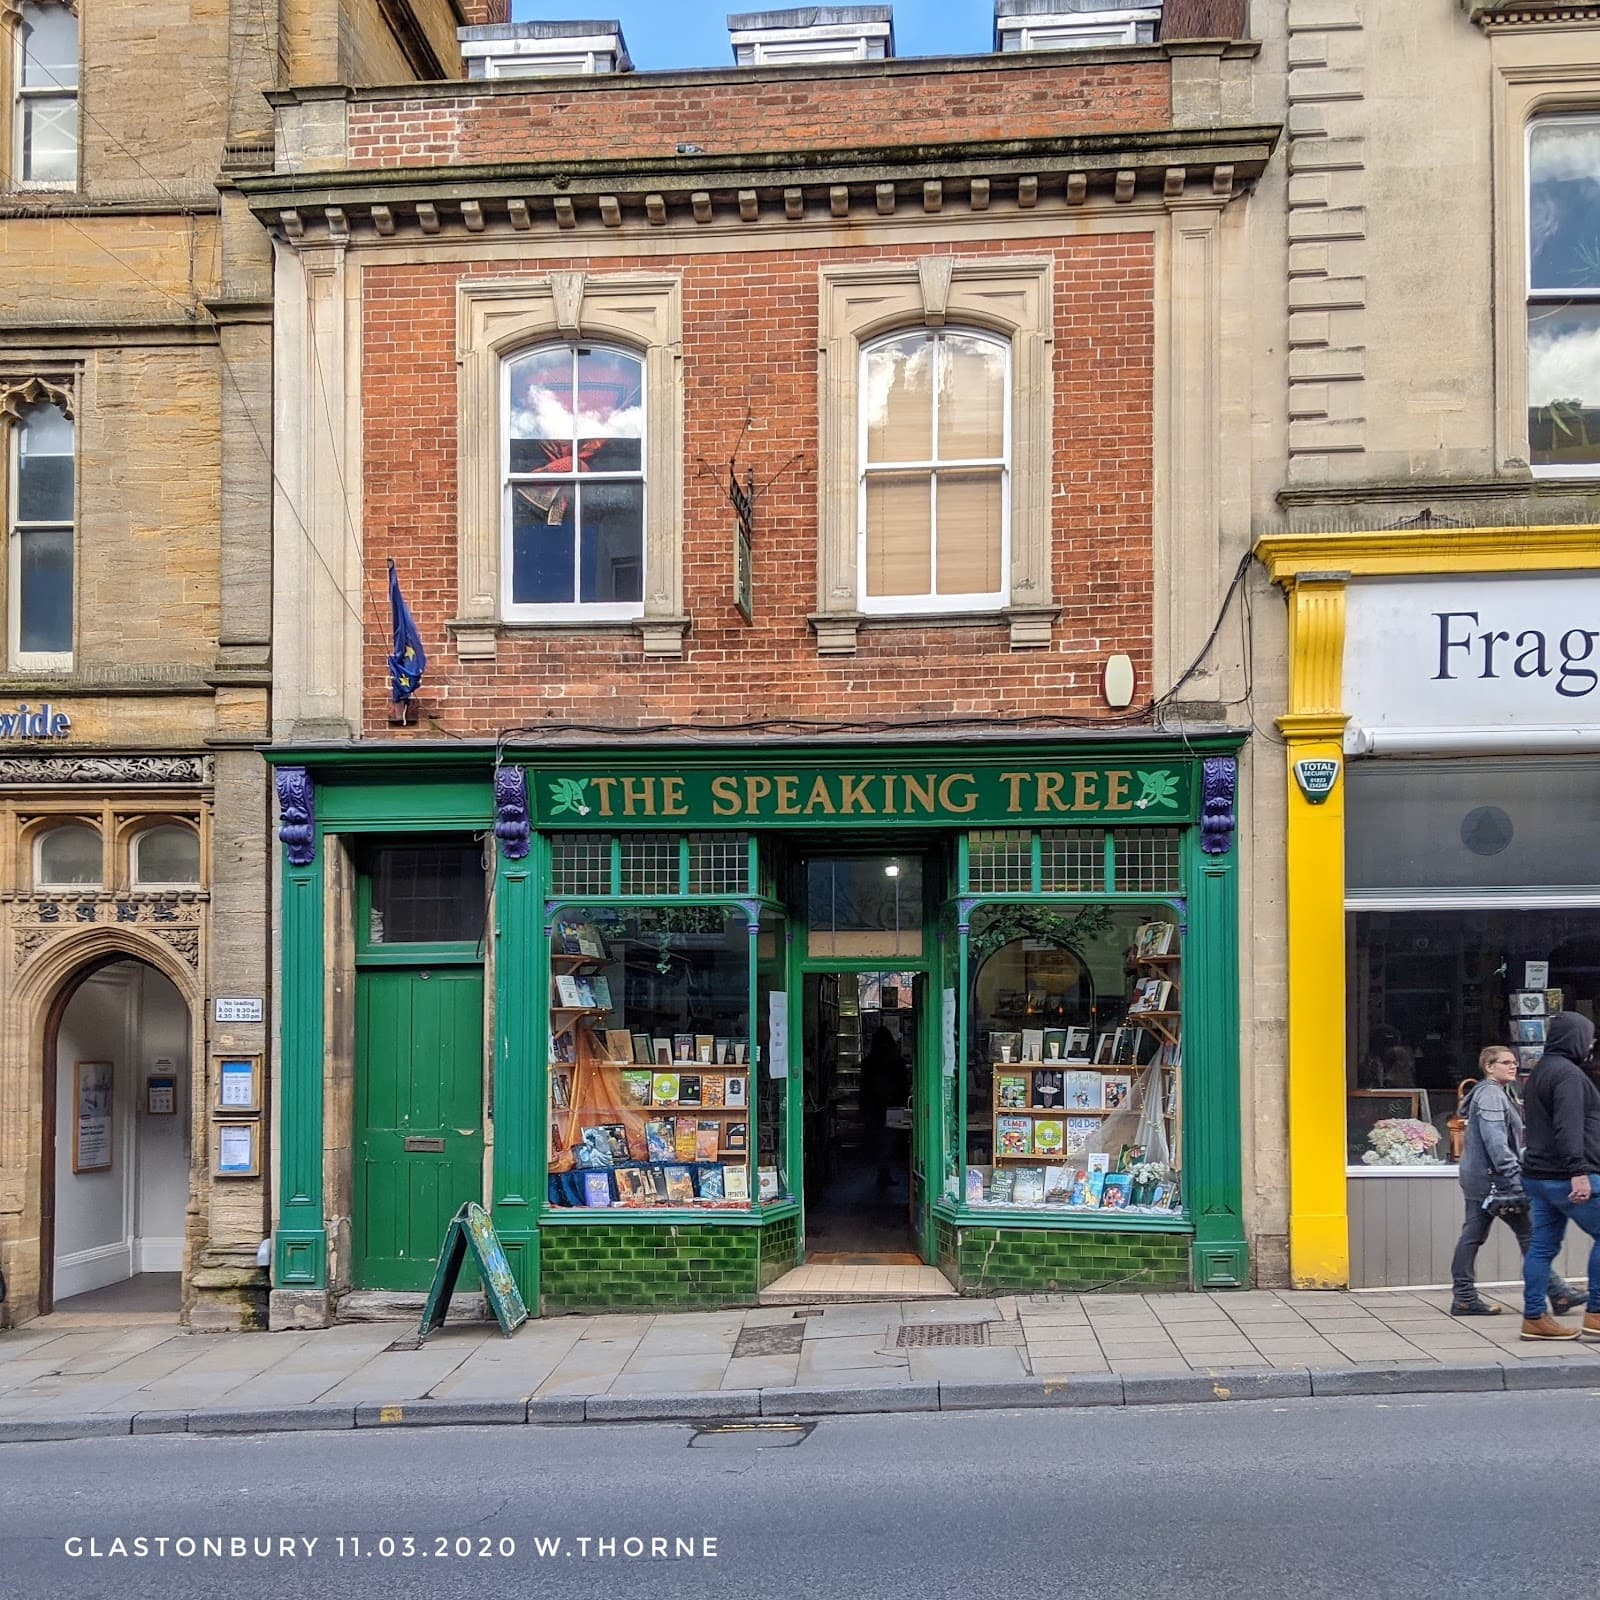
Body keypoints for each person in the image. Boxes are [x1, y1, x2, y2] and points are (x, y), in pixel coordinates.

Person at [1449, 1044, 1577, 1317]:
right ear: (1489, 1067)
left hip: (1482, 1178)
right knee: (1525, 1233)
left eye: (1514, 1062)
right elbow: (1495, 1141)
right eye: (1506, 1062)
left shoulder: (1494, 1093)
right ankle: (1557, 1293)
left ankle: (1464, 1296)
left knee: (1476, 1234)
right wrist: (1514, 1175)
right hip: (1494, 1181)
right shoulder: (1491, 1095)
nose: (1513, 1066)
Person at [1520, 1010, 1600, 1340]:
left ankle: (1535, 1317)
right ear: (1576, 1038)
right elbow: (1567, 1127)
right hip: (1567, 1176)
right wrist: (1578, 1172)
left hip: (1538, 1175)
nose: (1591, 1043)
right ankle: (1596, 1315)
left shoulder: (1540, 1071)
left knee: (1541, 1247)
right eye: (1588, 1036)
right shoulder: (1568, 1075)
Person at [858, 1026, 910, 1187]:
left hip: (874, 1108)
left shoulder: (869, 1062)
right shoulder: (896, 1061)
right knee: (890, 1140)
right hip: (893, 1106)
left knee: (879, 1139)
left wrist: (863, 1108)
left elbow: (864, 1086)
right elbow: (904, 1084)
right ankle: (885, 1171)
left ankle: (882, 1171)